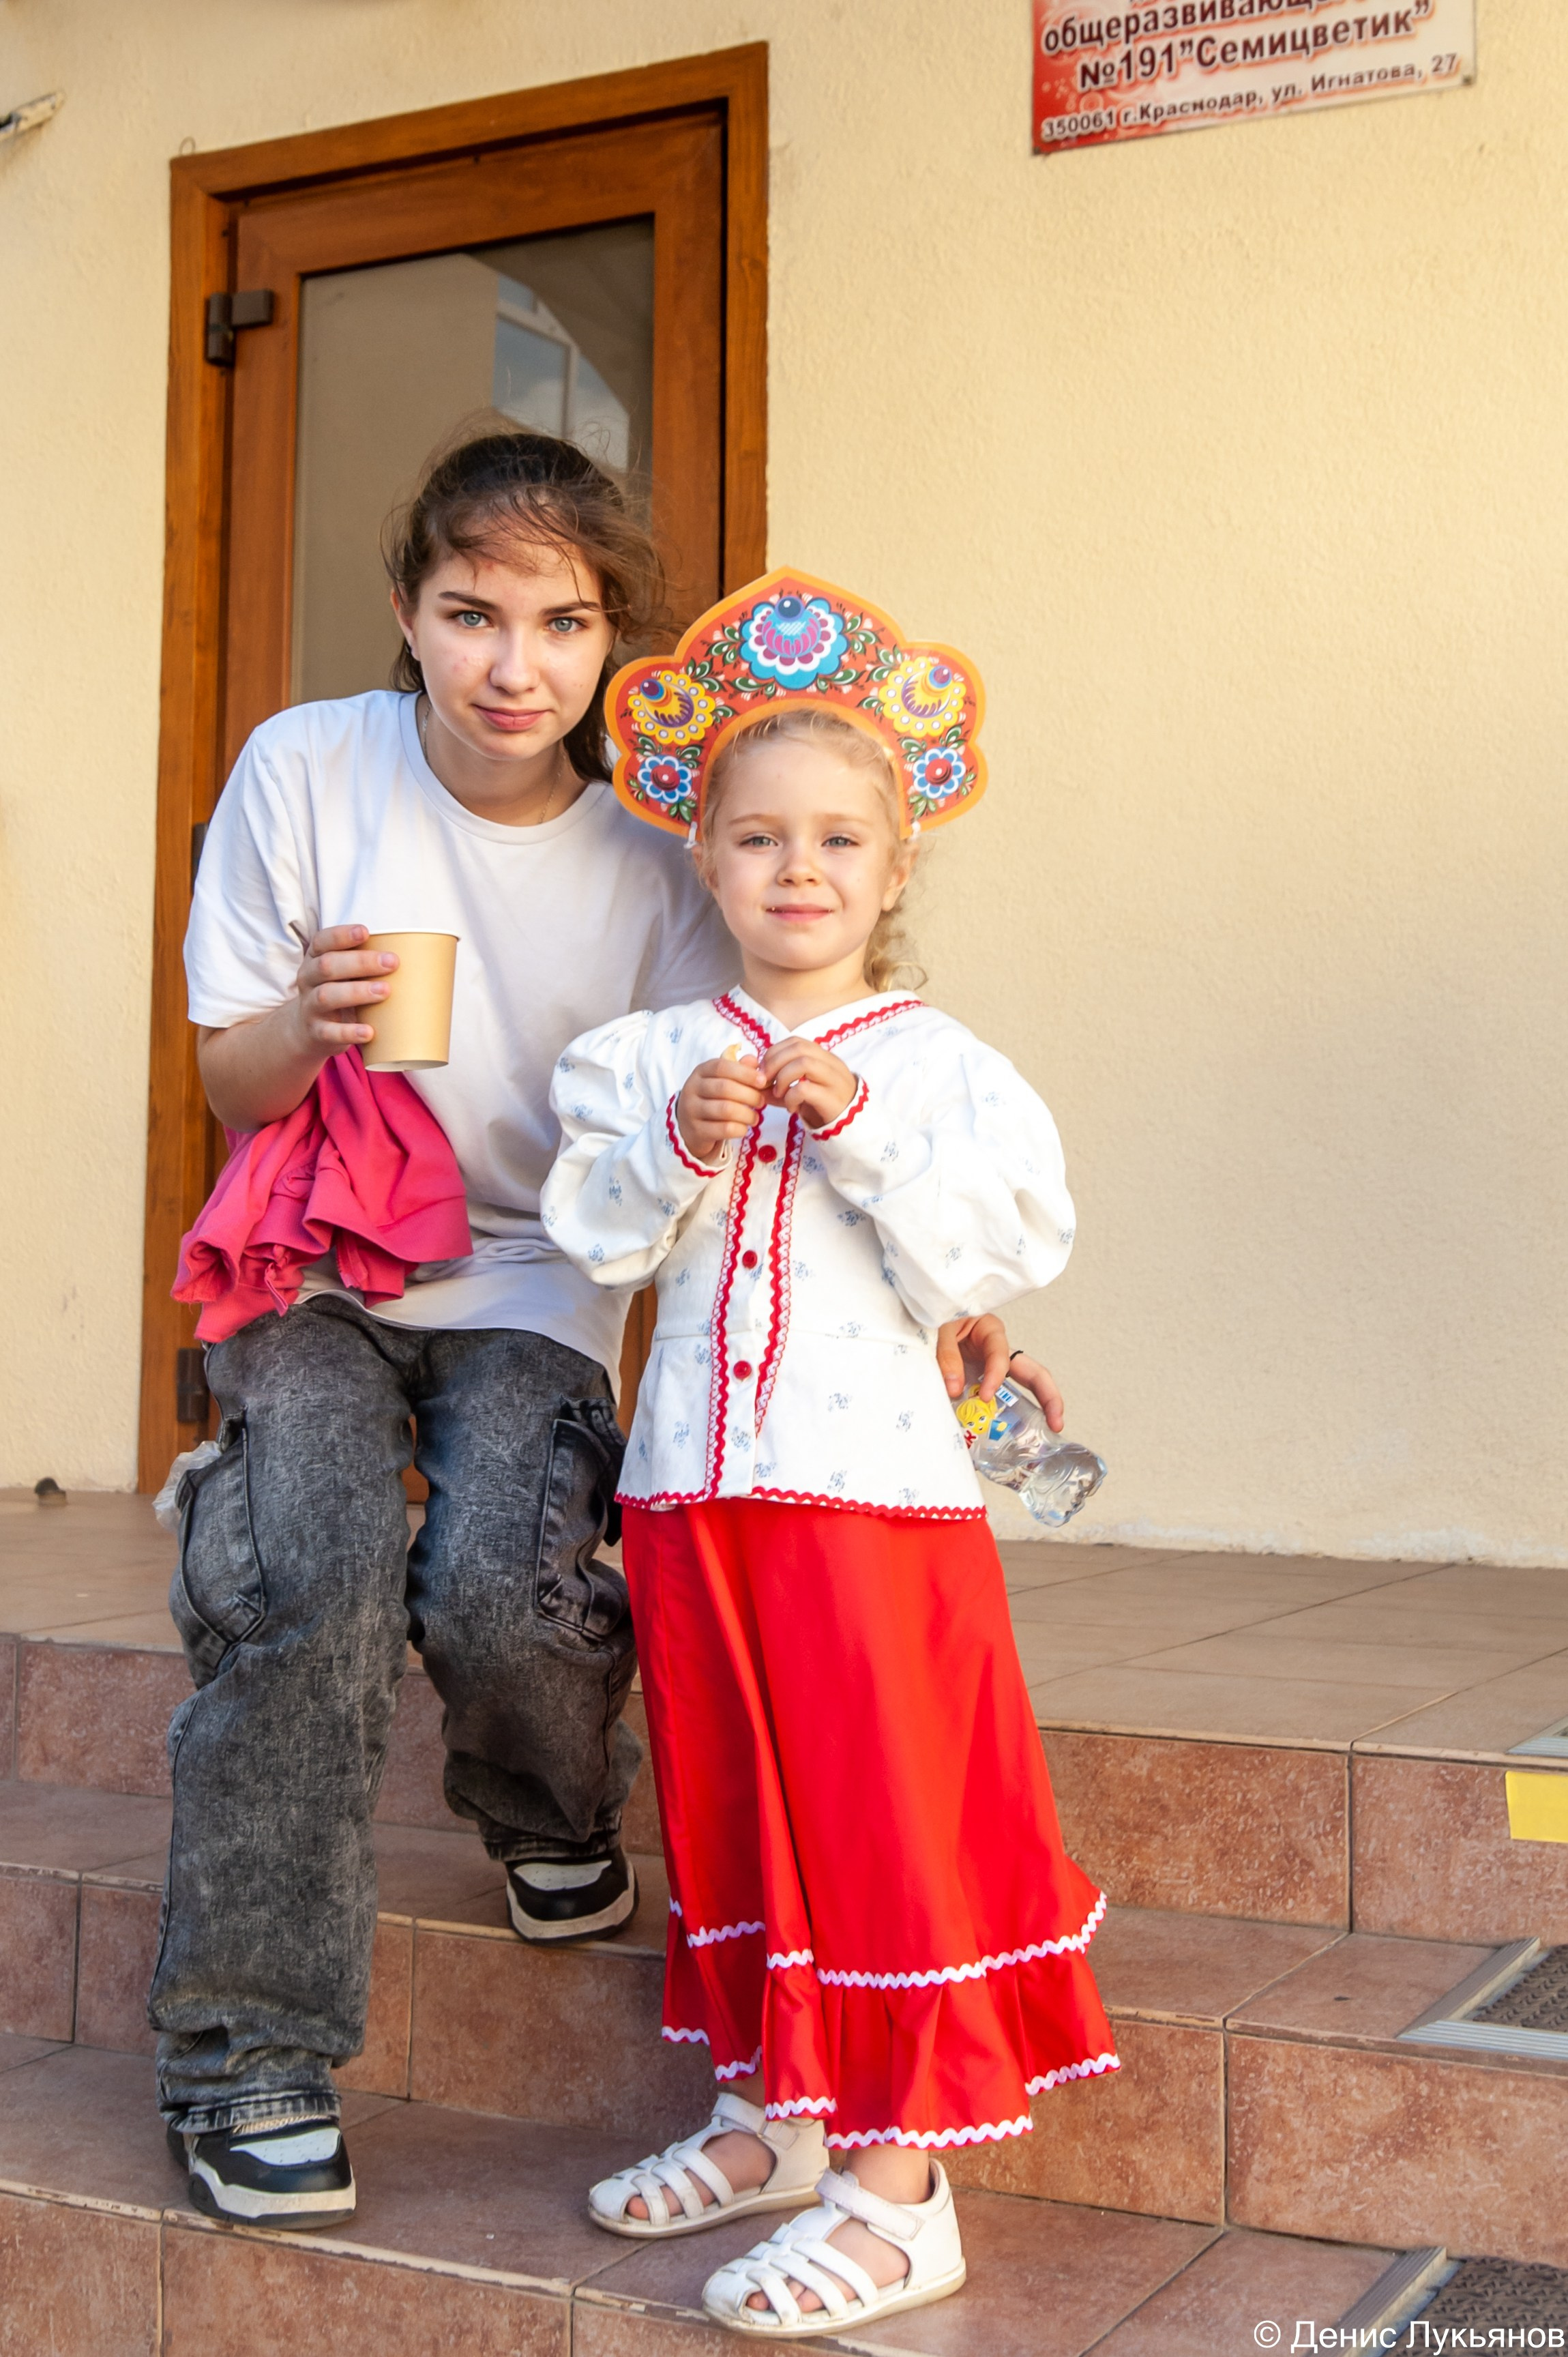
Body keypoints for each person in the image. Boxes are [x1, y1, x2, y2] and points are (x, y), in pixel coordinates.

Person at [155, 439, 1043, 2231]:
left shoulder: (660, 851)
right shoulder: (304, 768)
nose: (511, 664)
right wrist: (314, 1026)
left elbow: (707, 1142)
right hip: (320, 1261)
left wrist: (950, 1304)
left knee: (507, 1582)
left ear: (611, 649)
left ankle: (552, 1810)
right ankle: (248, 2051)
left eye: (561, 622)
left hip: (542, 1280)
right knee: (311, 1556)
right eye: (470, 613)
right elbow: (223, 1080)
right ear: (407, 609)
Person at [541, 570, 1118, 2338]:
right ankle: (773, 2113)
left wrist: (856, 1133)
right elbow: (598, 1238)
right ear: (700, 858)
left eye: (839, 841)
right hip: (690, 1495)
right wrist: (673, 1150)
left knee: (874, 1826)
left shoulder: (939, 1067)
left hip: (872, 1509)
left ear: (895, 866)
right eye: (759, 837)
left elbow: (1000, 1251)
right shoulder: (642, 1059)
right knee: (729, 1812)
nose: (799, 870)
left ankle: (900, 2186)